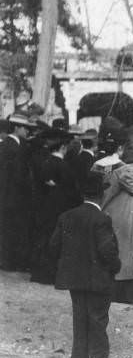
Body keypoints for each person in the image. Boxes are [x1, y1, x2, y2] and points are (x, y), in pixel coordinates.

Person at [50, 171, 123, 358]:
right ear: (101, 195)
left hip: (74, 277)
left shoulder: (66, 216)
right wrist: (116, 266)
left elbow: (53, 246)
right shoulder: (102, 219)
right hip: (98, 277)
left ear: (83, 194)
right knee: (98, 317)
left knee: (79, 315)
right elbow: (106, 250)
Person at [31, 128, 80, 284]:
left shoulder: (44, 162)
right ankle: (50, 274)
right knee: (55, 241)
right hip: (59, 209)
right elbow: (71, 191)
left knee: (42, 238)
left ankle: (39, 273)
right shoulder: (63, 166)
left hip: (43, 207)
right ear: (63, 147)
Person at [105, 147, 133, 304]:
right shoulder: (124, 171)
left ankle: (123, 293)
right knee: (128, 254)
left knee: (122, 252)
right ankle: (129, 294)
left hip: (115, 213)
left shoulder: (109, 168)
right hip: (125, 216)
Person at [0, 112, 37, 271]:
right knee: (12, 228)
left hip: (7, 196)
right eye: (25, 127)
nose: (28, 131)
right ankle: (10, 262)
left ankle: (7, 261)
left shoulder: (7, 145)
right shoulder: (15, 148)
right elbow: (17, 176)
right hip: (14, 196)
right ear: (16, 128)